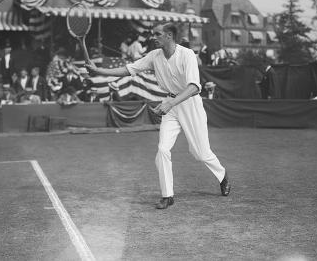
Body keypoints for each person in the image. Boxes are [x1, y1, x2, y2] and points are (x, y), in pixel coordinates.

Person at [86, 23, 231, 209]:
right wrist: (99, 71)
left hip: (190, 105)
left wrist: (170, 103)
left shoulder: (187, 55)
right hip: (170, 106)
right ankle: (167, 196)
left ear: (169, 36)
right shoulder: (154, 56)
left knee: (201, 154)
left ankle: (222, 175)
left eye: (157, 34)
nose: (153, 37)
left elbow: (194, 87)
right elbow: (128, 69)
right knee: (162, 149)